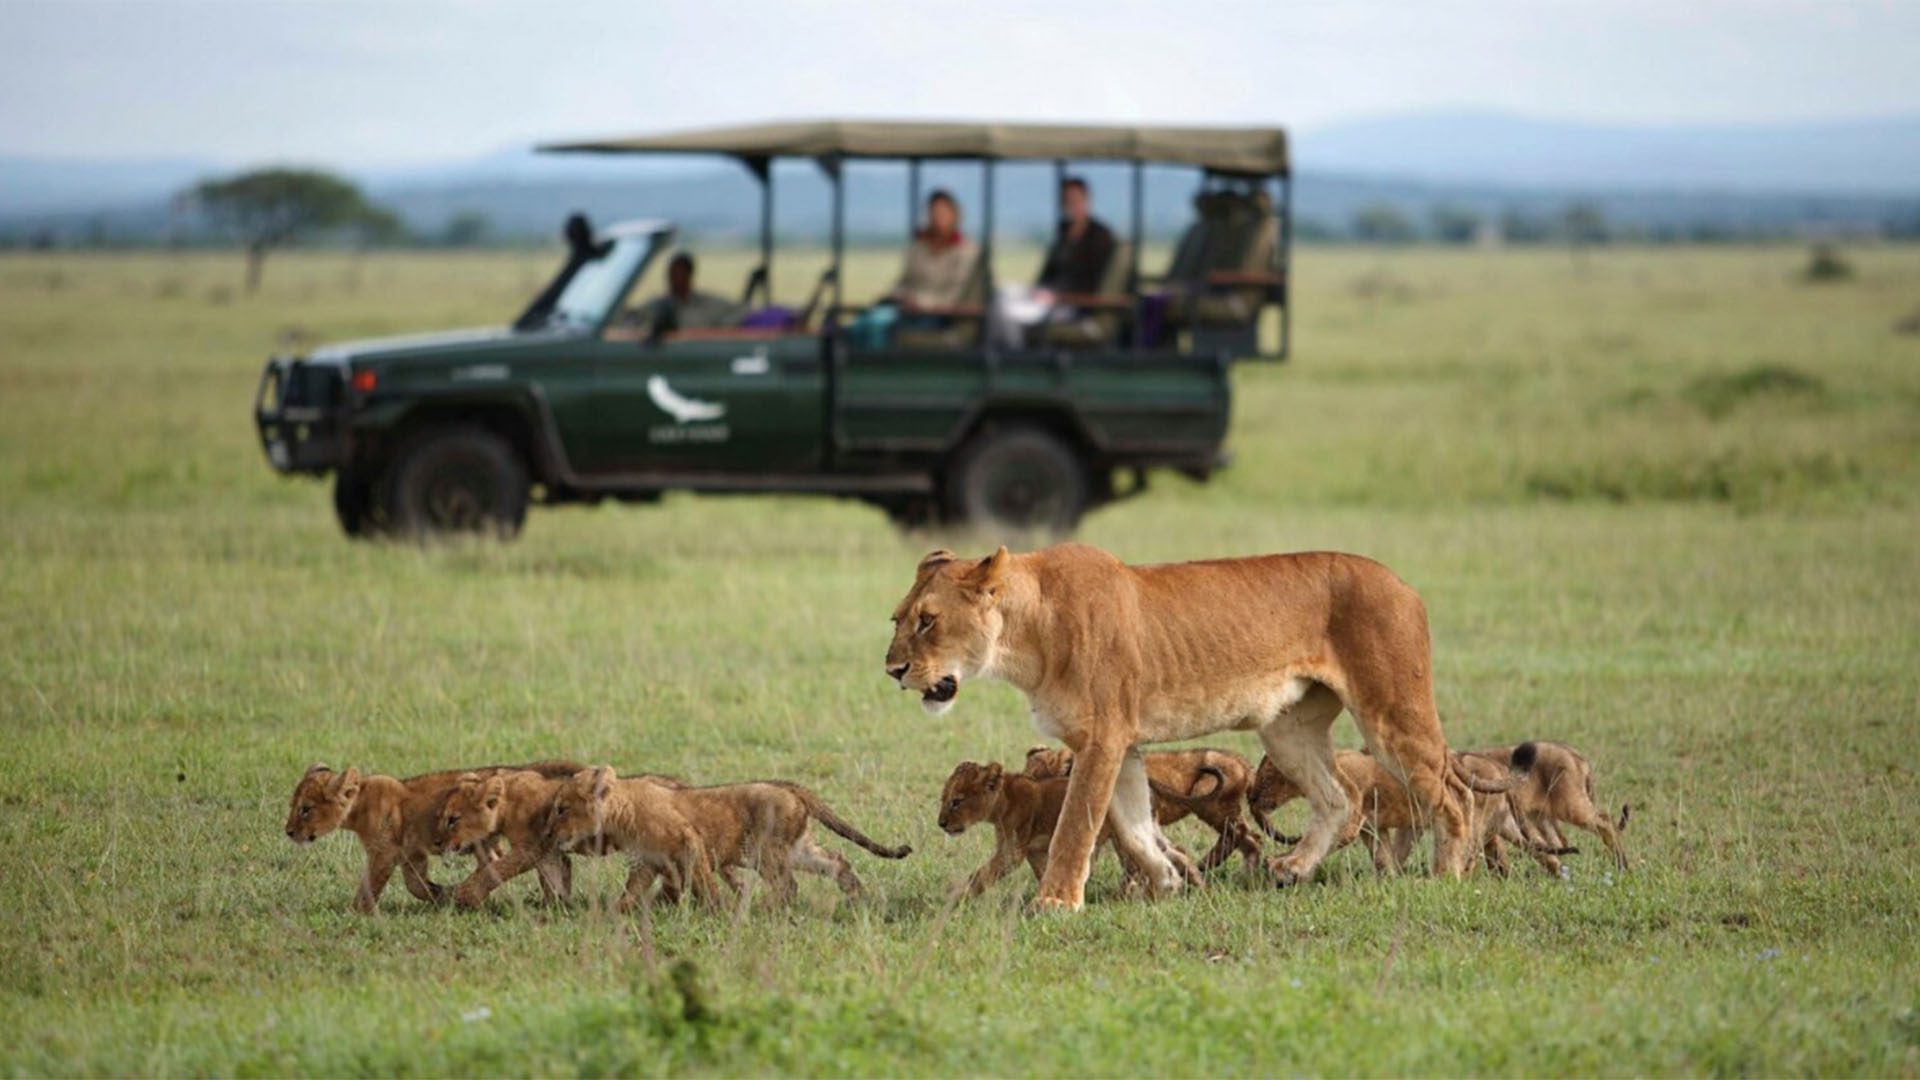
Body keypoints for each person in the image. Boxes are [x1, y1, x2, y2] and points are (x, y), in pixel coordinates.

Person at [990, 176, 1118, 348]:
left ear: (1087, 201)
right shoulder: (1063, 232)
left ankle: (1017, 357)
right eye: (1067, 200)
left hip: (1072, 304)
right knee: (1002, 297)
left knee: (1008, 314)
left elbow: (1092, 282)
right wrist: (1038, 291)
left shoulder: (1100, 237)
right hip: (1047, 296)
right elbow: (1048, 271)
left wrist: (1058, 296)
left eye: (1076, 200)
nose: (1072, 205)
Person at [889, 189, 979, 309]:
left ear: (955, 215)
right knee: (877, 318)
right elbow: (904, 282)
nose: (938, 218)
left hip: (941, 314)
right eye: (934, 212)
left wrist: (920, 302)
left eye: (943, 213)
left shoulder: (966, 250)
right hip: (907, 309)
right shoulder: (918, 247)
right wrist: (897, 296)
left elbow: (957, 294)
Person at [629, 252, 741, 335]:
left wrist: (719, 332)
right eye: (672, 274)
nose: (674, 279)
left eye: (679, 274)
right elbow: (632, 319)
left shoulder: (708, 305)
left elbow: (741, 312)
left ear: (689, 275)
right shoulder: (657, 306)